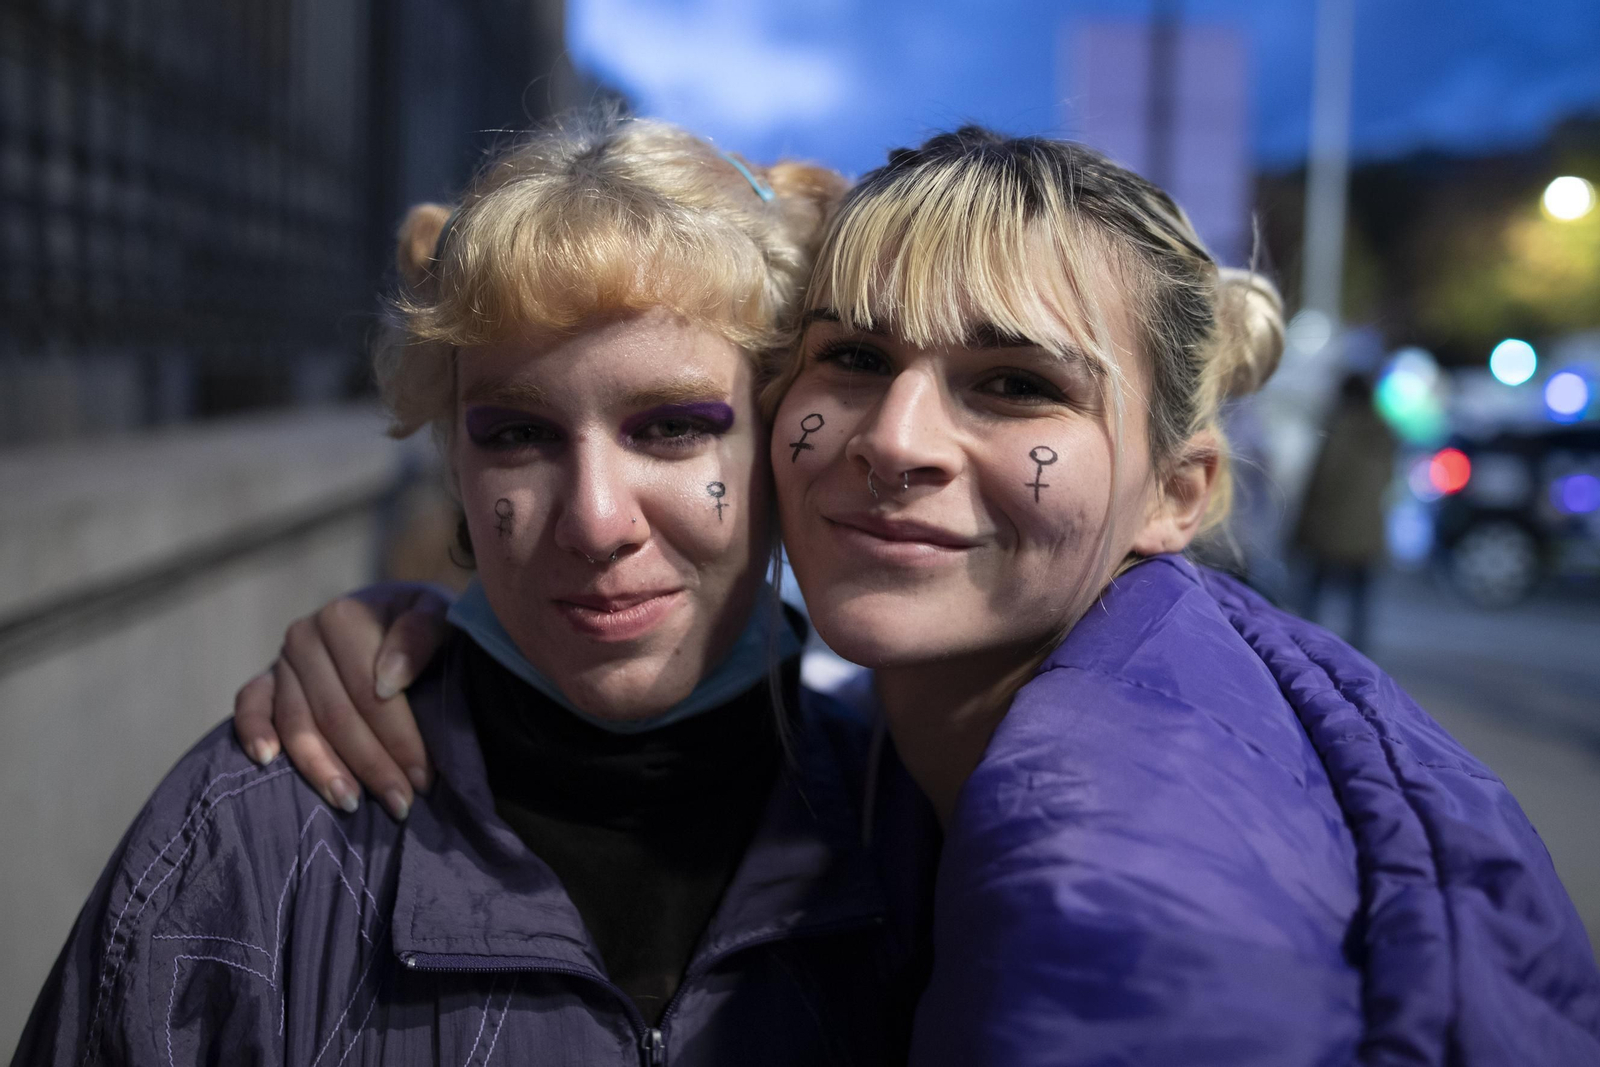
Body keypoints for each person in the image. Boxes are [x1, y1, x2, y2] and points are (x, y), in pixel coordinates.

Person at [241, 125, 1600, 1066]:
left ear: (1178, 494)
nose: (896, 438)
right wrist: (441, 629)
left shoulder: (1117, 846)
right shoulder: (903, 747)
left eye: (1015, 385)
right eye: (853, 356)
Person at [14, 117, 938, 1067]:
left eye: (670, 428)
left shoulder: (928, 836)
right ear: (453, 455)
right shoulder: (242, 845)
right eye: (517, 436)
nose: (595, 520)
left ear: (788, 438)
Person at [1293, 372, 1397, 651]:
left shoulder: (1340, 428)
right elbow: (1387, 479)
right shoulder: (1382, 431)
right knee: (1359, 607)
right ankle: (1361, 660)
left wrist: (1299, 530)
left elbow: (1323, 480)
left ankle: (1305, 651)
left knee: (1311, 602)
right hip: (1368, 533)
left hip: (1330, 530)